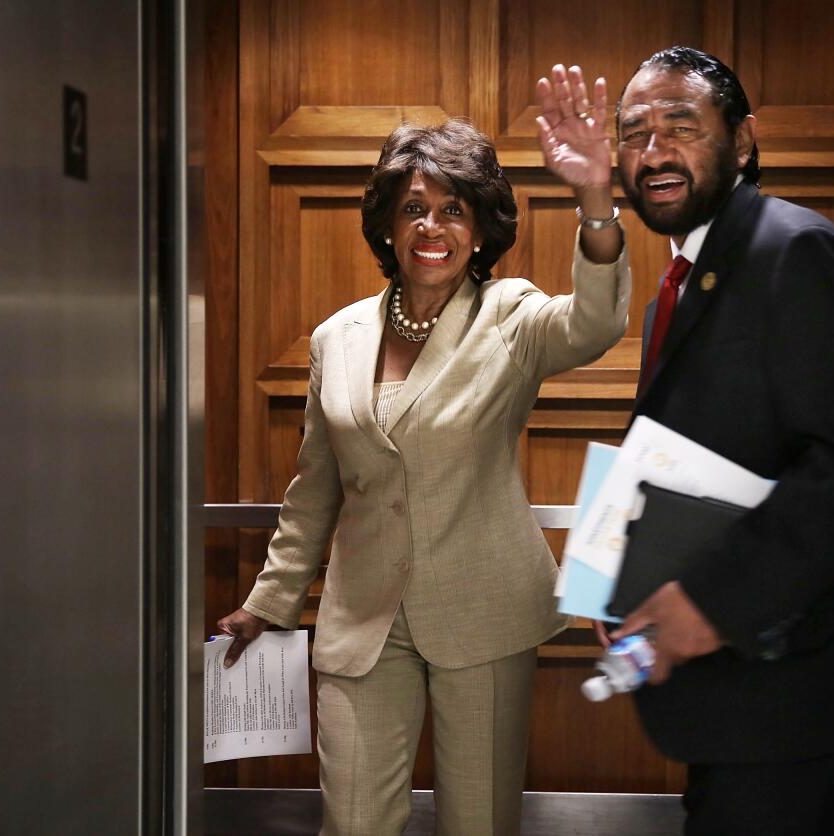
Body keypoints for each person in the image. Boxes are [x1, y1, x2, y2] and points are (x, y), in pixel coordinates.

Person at [215, 66, 629, 836]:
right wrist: (269, 603)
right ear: (385, 225)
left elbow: (597, 323)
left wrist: (596, 198)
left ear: (480, 230)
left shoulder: (511, 316)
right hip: (363, 616)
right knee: (354, 822)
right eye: (413, 209)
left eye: (452, 209)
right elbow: (315, 491)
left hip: (484, 614)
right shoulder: (336, 338)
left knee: (478, 821)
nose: (431, 227)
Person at [604, 47, 834, 835]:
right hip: (738, 691)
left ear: (743, 141)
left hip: (802, 688)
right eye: (635, 133)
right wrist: (611, 581)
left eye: (681, 125)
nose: (654, 152)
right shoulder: (678, 286)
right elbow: (685, 453)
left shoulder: (793, 250)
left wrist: (708, 605)